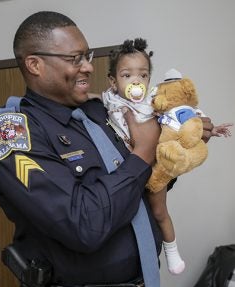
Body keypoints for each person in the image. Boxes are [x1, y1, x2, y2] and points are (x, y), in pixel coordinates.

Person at [0, 11, 215, 287]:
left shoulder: (100, 113)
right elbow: (83, 225)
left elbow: (138, 186)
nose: (89, 67)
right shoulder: (13, 131)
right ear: (35, 64)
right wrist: (142, 153)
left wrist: (175, 148)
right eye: (75, 58)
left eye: (87, 56)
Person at [100, 38, 233, 275]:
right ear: (113, 80)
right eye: (127, 75)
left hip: (156, 167)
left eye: (142, 75)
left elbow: (185, 115)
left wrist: (208, 128)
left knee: (159, 212)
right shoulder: (108, 102)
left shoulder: (154, 103)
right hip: (125, 171)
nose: (136, 82)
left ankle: (172, 251)